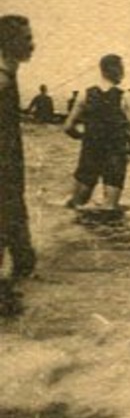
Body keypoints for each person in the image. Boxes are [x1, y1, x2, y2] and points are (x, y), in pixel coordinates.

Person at [64, 54, 130, 211]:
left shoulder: (85, 94)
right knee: (110, 207)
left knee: (76, 204)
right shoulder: (126, 96)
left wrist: (84, 137)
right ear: (115, 70)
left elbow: (68, 127)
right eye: (122, 68)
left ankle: (76, 235)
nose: (123, 72)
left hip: (90, 150)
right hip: (115, 152)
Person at [0, 15, 38, 280]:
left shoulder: (8, 75)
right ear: (9, 42)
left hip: (11, 172)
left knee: (23, 258)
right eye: (27, 39)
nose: (32, 45)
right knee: (22, 257)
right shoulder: (2, 81)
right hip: (5, 175)